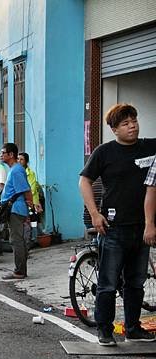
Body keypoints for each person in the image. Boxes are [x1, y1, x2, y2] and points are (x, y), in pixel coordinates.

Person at [81, 103, 156, 345]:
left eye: (134, 120)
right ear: (114, 129)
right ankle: (105, 330)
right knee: (108, 283)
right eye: (125, 123)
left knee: (136, 282)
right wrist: (94, 213)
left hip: (142, 228)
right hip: (113, 228)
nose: (132, 126)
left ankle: (132, 328)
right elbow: (84, 181)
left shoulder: (149, 147)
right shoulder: (105, 152)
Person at [0, 143, 32, 280]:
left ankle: (19, 271)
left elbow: (26, 190)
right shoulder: (14, 169)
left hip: (16, 209)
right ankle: (20, 269)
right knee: (17, 239)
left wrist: (30, 205)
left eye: (3, 153)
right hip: (14, 208)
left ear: (11, 154)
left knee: (16, 240)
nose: (1, 155)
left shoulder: (17, 170)